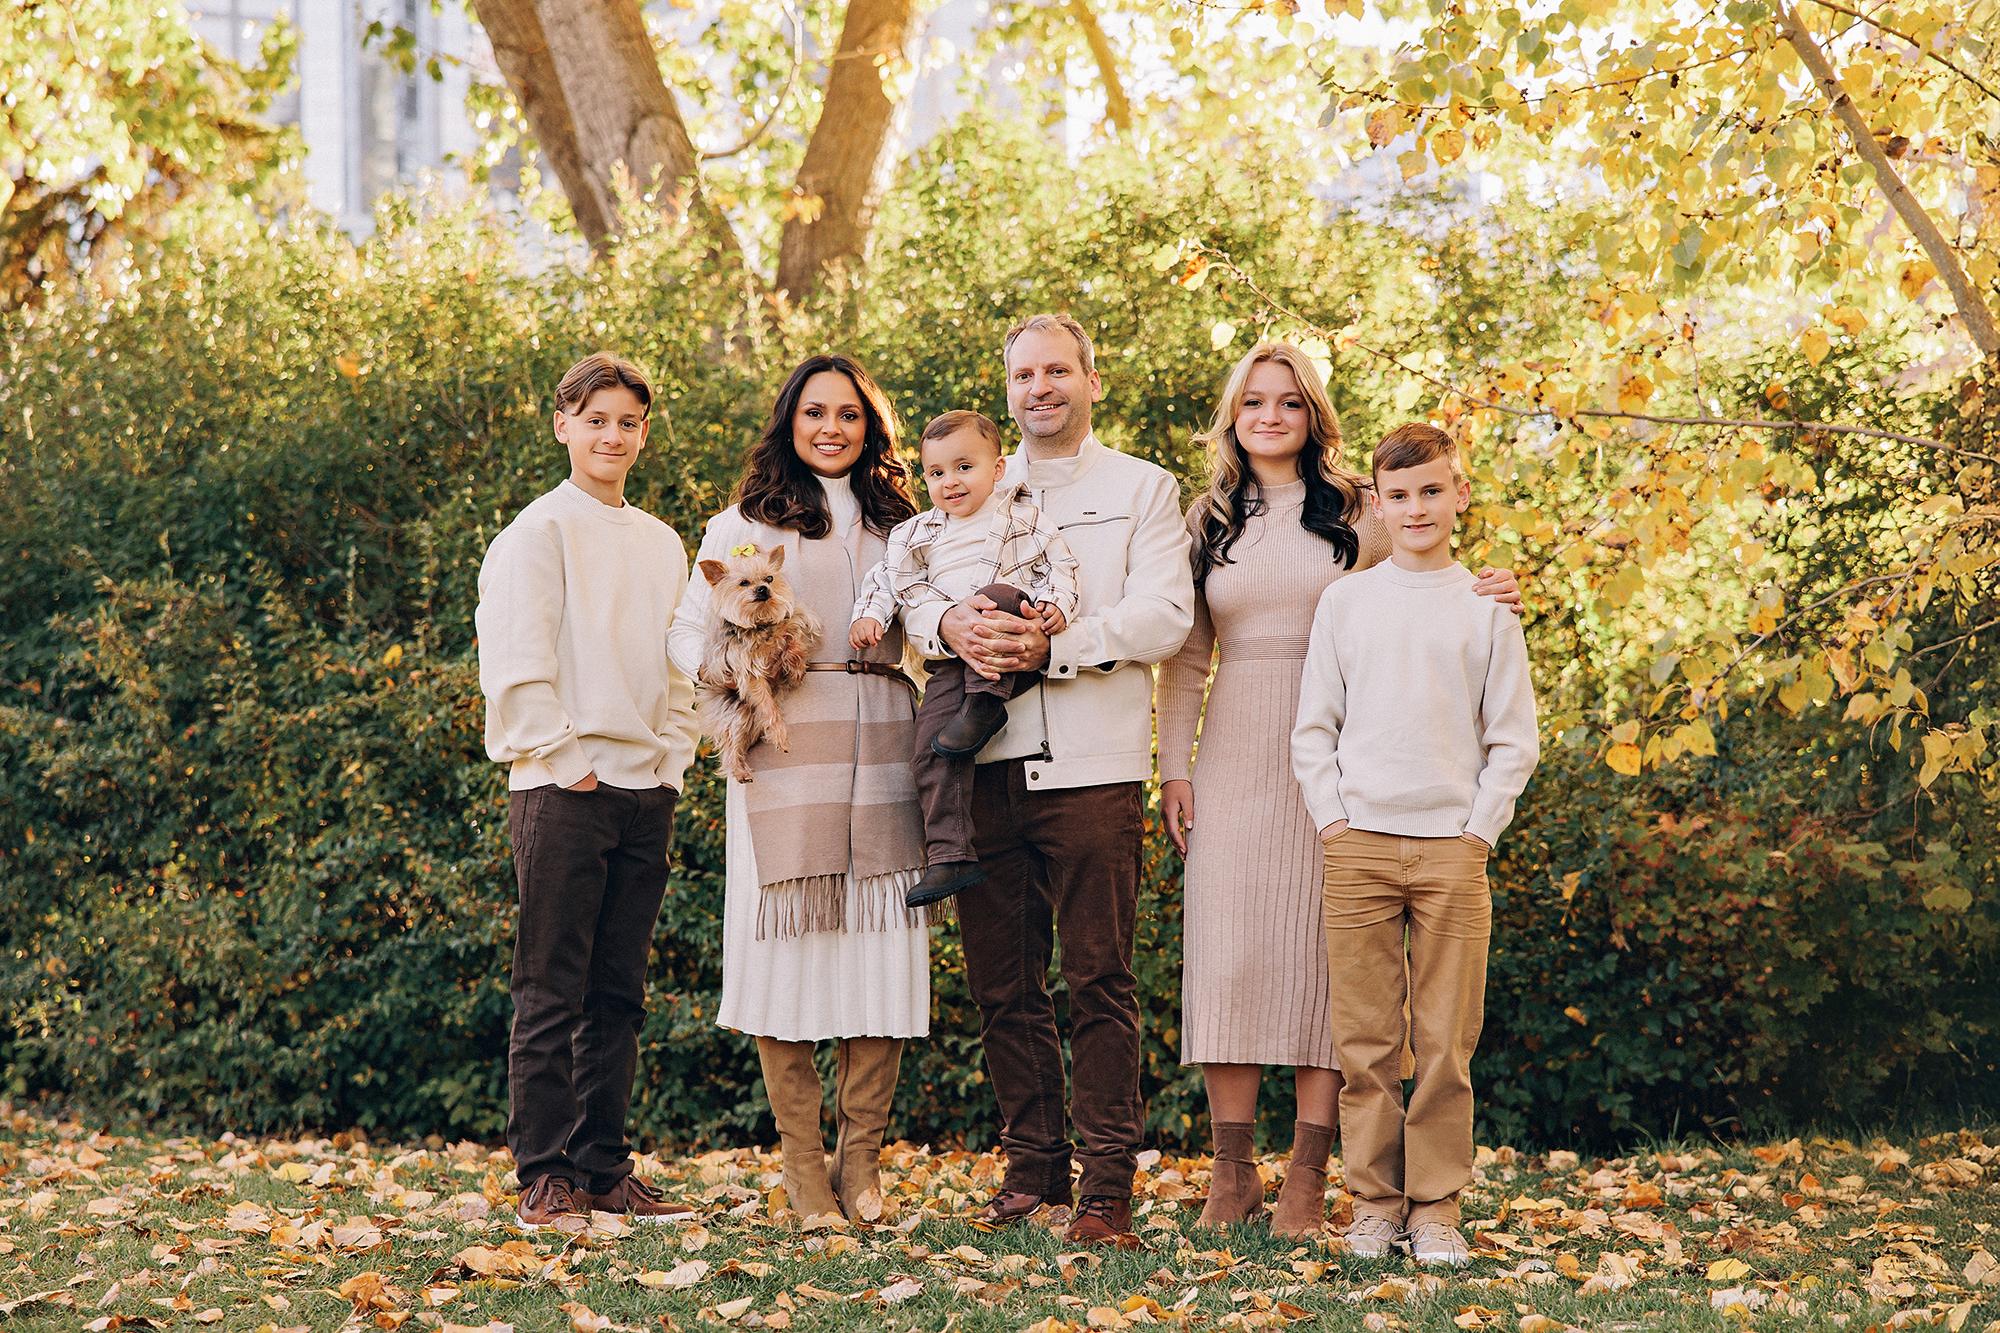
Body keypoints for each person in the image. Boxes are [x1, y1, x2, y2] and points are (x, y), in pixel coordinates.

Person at [1157, 345, 1521, 1236]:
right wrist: (1172, 765)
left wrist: (1496, 587)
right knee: (1230, 954)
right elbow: (1187, 655)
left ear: (1314, 412)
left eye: (1289, 401)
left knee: (1332, 980)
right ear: (1233, 414)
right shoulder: (1207, 518)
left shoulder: (1361, 507)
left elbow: (1427, 585)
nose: (1270, 416)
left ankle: (1310, 1180)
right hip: (1237, 753)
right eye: (1253, 401)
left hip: (1350, 762)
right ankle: (1233, 1173)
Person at [901, 313, 1194, 1248]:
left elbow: (1165, 615)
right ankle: (1031, 1172)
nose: (1041, 387)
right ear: (1007, 390)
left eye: (1058, 370)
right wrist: (947, 628)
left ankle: (1106, 1189)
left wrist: (1056, 643)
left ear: (1091, 380)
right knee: (1003, 987)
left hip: (1095, 771)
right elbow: (911, 587)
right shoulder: (975, 487)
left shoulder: (1143, 488)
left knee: (1099, 978)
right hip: (982, 766)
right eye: (1024, 374)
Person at [666, 354, 929, 1226]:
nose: (831, 427)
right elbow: (684, 633)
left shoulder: (907, 522)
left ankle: (861, 1167)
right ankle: (804, 1171)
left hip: (887, 749)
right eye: (814, 412)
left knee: (880, 957)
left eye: (848, 414)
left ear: (870, 426)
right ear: (789, 422)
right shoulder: (741, 523)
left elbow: (932, 625)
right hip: (783, 760)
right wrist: (737, 675)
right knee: (789, 958)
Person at [1292, 422, 1540, 1266]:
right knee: (1365, 1042)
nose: (1416, 507)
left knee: (1443, 1041)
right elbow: (1313, 726)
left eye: (1432, 490)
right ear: (1377, 504)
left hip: (1450, 851)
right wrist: (1333, 820)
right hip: (1358, 843)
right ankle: (1373, 1203)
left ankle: (1435, 1207)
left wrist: (1479, 832)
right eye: (1398, 495)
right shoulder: (1347, 601)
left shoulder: (1486, 605)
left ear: (1459, 493)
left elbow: (1513, 738)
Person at [476, 352, 701, 1228]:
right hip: (563, 787)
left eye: (629, 422)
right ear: (563, 423)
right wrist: (569, 761)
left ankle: (605, 1167)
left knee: (619, 992)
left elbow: (683, 666)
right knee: (550, 987)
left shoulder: (661, 541)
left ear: (644, 432)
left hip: (646, 789)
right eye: (596, 418)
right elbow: (517, 666)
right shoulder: (536, 533)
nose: (613, 435)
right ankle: (545, 1173)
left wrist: (672, 759)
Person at [849, 409, 1081, 909]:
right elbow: (888, 582)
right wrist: (869, 617)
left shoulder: (1023, 516)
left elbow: (1061, 565)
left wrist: (1057, 606)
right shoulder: (914, 534)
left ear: (997, 469)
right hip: (953, 660)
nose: (950, 482)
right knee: (931, 746)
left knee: (996, 591)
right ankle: (951, 855)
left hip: (1009, 639)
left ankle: (985, 704)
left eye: (964, 467)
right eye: (936, 473)